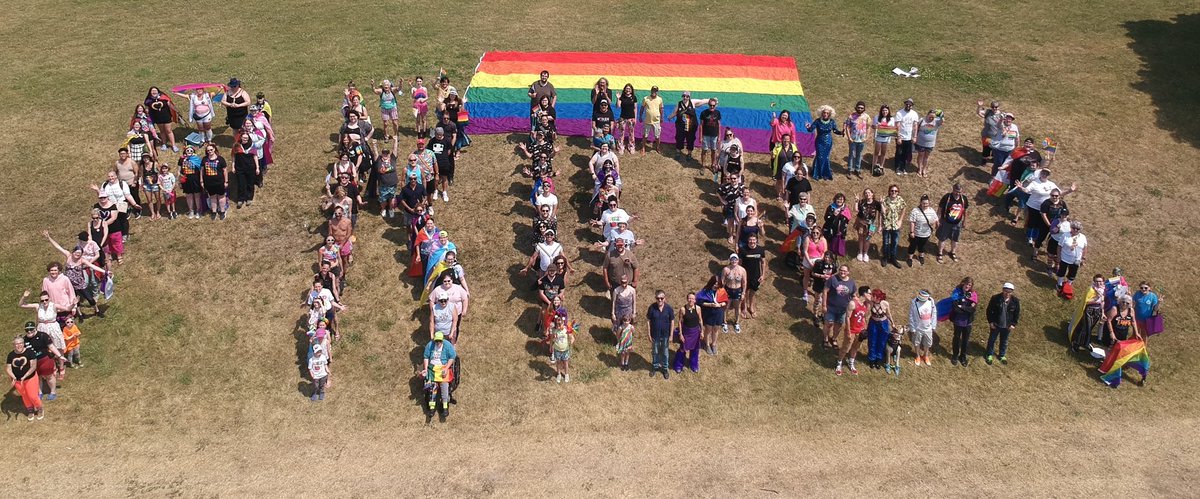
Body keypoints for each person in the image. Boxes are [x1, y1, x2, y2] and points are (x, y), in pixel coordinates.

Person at [42, 231, 106, 318]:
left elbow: (93, 267)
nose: (77, 255)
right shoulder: (68, 256)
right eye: (76, 253)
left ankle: (97, 310)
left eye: (79, 254)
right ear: (73, 252)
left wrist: (105, 272)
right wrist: (49, 237)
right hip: (69, 284)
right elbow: (58, 247)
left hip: (80, 283)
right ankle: (79, 314)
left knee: (90, 298)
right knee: (75, 300)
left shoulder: (82, 260)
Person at [19, 290, 70, 379]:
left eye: (46, 300)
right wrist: (24, 296)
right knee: (45, 349)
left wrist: (73, 304)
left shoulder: (54, 305)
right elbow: (21, 305)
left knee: (58, 347)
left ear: (49, 299)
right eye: (42, 300)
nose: (44, 302)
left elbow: (68, 308)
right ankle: (52, 366)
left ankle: (61, 367)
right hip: (42, 328)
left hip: (53, 328)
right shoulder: (38, 306)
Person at [21, 320, 65, 401]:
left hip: (45, 359)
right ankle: (39, 392)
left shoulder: (43, 335)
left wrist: (59, 356)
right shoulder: (24, 339)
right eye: (27, 330)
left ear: (35, 328)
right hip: (33, 362)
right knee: (37, 378)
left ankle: (52, 392)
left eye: (31, 329)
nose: (29, 331)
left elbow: (51, 347)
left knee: (49, 376)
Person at [418, 332, 456, 416]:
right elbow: (426, 357)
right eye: (436, 341)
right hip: (432, 368)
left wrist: (446, 368)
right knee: (432, 387)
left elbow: (452, 357)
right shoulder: (430, 345)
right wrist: (425, 369)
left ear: (442, 340)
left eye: (440, 341)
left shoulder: (447, 345)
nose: (438, 343)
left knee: (444, 386)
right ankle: (432, 408)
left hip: (443, 367)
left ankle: (445, 406)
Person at [836, 286, 871, 376]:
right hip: (851, 330)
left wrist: (865, 328)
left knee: (856, 347)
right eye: (869, 293)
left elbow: (864, 317)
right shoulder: (853, 303)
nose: (871, 295)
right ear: (864, 293)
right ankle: (839, 363)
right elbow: (847, 317)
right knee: (845, 348)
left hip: (860, 331)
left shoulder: (865, 306)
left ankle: (851, 362)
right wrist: (848, 330)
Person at [8, 335, 43, 421]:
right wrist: (13, 377)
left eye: (20, 343)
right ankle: (30, 410)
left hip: (30, 378)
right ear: (14, 345)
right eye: (16, 344)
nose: (18, 345)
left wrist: (25, 376)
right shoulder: (11, 355)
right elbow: (8, 368)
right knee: (24, 395)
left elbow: (33, 366)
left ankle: (39, 408)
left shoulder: (30, 352)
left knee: (33, 396)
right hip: (18, 380)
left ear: (23, 344)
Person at [985, 283, 1021, 364]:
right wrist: (991, 322)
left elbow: (1017, 314)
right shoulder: (995, 298)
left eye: (1009, 292)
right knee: (992, 340)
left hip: (1007, 326)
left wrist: (1013, 324)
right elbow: (989, 311)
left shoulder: (1015, 301)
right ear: (1003, 290)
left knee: (1004, 341)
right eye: (1006, 291)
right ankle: (989, 354)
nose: (1007, 293)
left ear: (1012, 292)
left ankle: (1002, 355)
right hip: (996, 324)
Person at [805, 105, 843, 180]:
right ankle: (817, 173)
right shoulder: (817, 121)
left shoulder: (832, 122)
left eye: (827, 113)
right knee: (819, 156)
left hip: (828, 141)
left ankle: (825, 173)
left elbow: (835, 131)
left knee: (826, 157)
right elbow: (811, 130)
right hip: (819, 141)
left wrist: (841, 132)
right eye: (824, 113)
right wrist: (808, 127)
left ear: (829, 114)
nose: (825, 114)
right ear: (821, 113)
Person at [1071, 274, 1108, 352]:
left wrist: (1103, 312)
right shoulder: (1091, 289)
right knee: (1086, 328)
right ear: (1094, 282)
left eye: (1100, 281)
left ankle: (1085, 343)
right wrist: (1096, 298)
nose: (1098, 283)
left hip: (1097, 310)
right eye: (1097, 281)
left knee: (1090, 328)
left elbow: (1102, 301)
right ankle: (1076, 344)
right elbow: (1086, 302)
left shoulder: (1103, 289)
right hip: (1089, 310)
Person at [822, 265, 855, 349]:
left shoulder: (851, 283)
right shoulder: (833, 279)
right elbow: (825, 291)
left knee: (839, 325)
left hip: (843, 310)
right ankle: (825, 339)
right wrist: (824, 305)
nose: (842, 272)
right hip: (830, 307)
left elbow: (853, 294)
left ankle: (834, 339)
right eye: (841, 270)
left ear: (848, 272)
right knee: (829, 323)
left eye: (844, 271)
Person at [645, 290, 676, 379]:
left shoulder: (669, 308)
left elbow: (672, 321)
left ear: (664, 298)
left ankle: (665, 368)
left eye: (661, 298)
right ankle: (655, 366)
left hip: (665, 335)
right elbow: (648, 321)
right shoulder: (652, 308)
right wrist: (648, 334)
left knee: (665, 352)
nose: (660, 300)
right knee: (655, 352)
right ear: (655, 298)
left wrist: (671, 335)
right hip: (655, 335)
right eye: (658, 298)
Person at [936, 184, 970, 263]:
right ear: (953, 189)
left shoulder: (963, 199)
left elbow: (965, 211)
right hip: (945, 222)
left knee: (955, 239)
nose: (958, 193)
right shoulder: (947, 197)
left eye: (959, 192)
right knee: (942, 238)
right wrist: (937, 219)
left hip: (957, 223)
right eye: (956, 191)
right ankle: (940, 253)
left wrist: (965, 220)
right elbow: (940, 208)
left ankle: (952, 252)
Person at [949, 277, 978, 366]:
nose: (967, 286)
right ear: (963, 283)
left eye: (969, 285)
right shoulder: (956, 293)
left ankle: (963, 356)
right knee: (957, 339)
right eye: (966, 284)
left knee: (965, 340)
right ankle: (955, 355)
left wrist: (962, 307)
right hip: (958, 321)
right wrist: (966, 308)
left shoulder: (973, 294)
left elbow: (973, 309)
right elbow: (955, 309)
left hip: (968, 322)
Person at [696, 277, 728, 355]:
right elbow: (700, 302)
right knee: (708, 330)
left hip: (718, 312)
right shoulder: (705, 291)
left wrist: (720, 304)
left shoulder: (721, 290)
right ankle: (706, 345)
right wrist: (710, 304)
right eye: (714, 283)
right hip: (709, 313)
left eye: (717, 283)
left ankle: (713, 344)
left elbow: (725, 301)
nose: (716, 284)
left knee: (716, 329)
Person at [673, 293, 703, 373]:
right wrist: (681, 334)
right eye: (689, 298)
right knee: (683, 349)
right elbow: (679, 322)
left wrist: (702, 331)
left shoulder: (698, 308)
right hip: (686, 332)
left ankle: (694, 364)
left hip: (695, 332)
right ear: (687, 299)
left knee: (695, 349)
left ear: (695, 300)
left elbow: (700, 320)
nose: (691, 300)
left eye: (693, 298)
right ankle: (678, 365)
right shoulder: (683, 309)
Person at [738, 235, 767, 319]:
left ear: (756, 240)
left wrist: (763, 274)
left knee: (753, 292)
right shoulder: (743, 249)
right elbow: (740, 263)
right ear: (748, 241)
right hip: (745, 276)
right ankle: (744, 308)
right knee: (745, 292)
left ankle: (751, 307)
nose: (752, 241)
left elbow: (763, 262)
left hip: (756, 275)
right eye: (750, 240)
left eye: (753, 240)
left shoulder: (760, 250)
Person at [907, 194, 939, 266]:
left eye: (927, 203)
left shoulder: (931, 211)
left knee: (922, 246)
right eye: (924, 203)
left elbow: (936, 219)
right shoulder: (915, 210)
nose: (925, 205)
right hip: (916, 234)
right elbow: (912, 222)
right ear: (920, 202)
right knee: (912, 246)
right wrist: (912, 232)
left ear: (929, 203)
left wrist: (936, 223)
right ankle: (910, 258)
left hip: (926, 234)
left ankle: (921, 256)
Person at [866, 289, 894, 371]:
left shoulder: (885, 303)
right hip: (873, 323)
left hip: (883, 323)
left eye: (873, 296)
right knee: (872, 341)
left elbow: (888, 314)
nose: (872, 297)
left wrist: (892, 323)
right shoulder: (871, 303)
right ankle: (872, 359)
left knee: (882, 342)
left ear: (878, 297)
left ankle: (878, 359)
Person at [145, 86, 179, 152]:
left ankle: (173, 145)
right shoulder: (148, 101)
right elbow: (147, 109)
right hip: (157, 118)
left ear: (158, 91)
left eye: (155, 90)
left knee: (168, 130)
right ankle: (164, 144)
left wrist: (177, 111)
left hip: (166, 116)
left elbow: (170, 105)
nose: (154, 92)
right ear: (150, 92)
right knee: (162, 131)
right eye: (152, 91)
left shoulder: (164, 98)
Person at [1056, 220, 1088, 291]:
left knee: (1072, 273)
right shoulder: (1065, 235)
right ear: (1071, 228)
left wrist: (1083, 258)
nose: (1076, 230)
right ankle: (1059, 284)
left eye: (1078, 229)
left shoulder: (1083, 237)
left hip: (1076, 260)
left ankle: (1068, 284)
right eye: (1074, 228)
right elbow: (1059, 246)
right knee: (1062, 271)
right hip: (1064, 258)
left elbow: (1085, 248)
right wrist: (1058, 256)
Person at [200, 143, 228, 220]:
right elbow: (202, 171)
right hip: (208, 183)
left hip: (219, 182)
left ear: (214, 149)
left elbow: (225, 170)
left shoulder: (220, 159)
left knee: (221, 196)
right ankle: (214, 211)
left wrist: (226, 181)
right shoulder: (204, 159)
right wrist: (201, 181)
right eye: (208, 150)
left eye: (211, 150)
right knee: (212, 197)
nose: (209, 151)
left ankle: (222, 211)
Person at [880, 184, 906, 268]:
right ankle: (885, 258)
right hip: (886, 225)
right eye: (892, 191)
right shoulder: (885, 200)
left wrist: (900, 220)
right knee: (886, 242)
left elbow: (904, 208)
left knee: (895, 243)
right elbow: (882, 213)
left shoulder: (900, 200)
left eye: (895, 191)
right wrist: (881, 204)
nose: (894, 192)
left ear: (898, 192)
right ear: (889, 191)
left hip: (895, 225)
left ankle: (893, 258)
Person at [427, 127, 455, 202]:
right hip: (435, 163)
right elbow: (429, 151)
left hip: (444, 163)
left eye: (440, 134)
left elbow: (449, 151)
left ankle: (444, 192)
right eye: (437, 134)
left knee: (444, 178)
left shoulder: (447, 141)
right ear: (435, 134)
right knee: (436, 179)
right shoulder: (432, 141)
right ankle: (435, 190)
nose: (439, 136)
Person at [852, 188, 881, 263]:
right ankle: (860, 252)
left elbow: (883, 212)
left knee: (868, 238)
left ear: (872, 194)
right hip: (861, 223)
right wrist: (856, 202)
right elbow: (856, 210)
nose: (867, 194)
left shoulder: (876, 203)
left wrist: (882, 203)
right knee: (861, 237)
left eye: (869, 193)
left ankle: (865, 253)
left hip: (871, 224)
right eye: (865, 193)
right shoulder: (861, 202)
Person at [721, 254, 748, 333]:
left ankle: (737, 322)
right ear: (730, 260)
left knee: (737, 307)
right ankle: (724, 322)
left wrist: (743, 293)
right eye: (732, 259)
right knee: (726, 307)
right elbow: (722, 282)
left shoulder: (742, 270)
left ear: (738, 260)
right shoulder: (726, 269)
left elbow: (744, 283)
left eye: (735, 259)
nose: (734, 261)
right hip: (728, 290)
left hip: (737, 290)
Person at [843, 101, 872, 176]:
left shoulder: (867, 117)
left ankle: (857, 169)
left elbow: (868, 127)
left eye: (862, 108)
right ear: (856, 107)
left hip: (862, 139)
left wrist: (867, 137)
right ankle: (849, 169)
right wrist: (849, 137)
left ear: (864, 109)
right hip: (852, 139)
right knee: (851, 154)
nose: (860, 109)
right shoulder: (851, 116)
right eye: (858, 107)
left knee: (859, 155)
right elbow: (847, 127)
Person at [908, 290, 936, 366]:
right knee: (917, 342)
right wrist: (912, 328)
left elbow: (934, 313)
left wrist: (933, 325)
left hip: (928, 327)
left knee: (928, 343)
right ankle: (917, 356)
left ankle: (925, 356)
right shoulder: (914, 302)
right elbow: (911, 315)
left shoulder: (931, 301)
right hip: (918, 328)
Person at [914, 109, 944, 177]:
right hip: (921, 142)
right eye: (930, 117)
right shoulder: (922, 120)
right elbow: (916, 128)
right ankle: (919, 169)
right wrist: (914, 137)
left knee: (926, 156)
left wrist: (942, 115)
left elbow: (942, 121)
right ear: (927, 115)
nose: (931, 118)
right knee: (921, 155)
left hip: (930, 143)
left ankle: (924, 169)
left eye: (933, 117)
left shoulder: (936, 121)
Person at [894, 98, 920, 174]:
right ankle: (897, 167)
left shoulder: (914, 114)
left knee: (906, 153)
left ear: (912, 106)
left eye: (910, 104)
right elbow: (897, 126)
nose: (908, 105)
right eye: (907, 104)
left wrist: (914, 136)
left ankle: (903, 167)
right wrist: (898, 137)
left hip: (909, 137)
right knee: (899, 152)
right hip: (901, 137)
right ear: (905, 104)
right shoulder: (899, 113)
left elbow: (915, 126)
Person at [669, 92, 699, 158]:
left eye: (687, 96)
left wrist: (710, 100)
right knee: (679, 139)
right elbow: (675, 112)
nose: (685, 97)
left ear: (689, 97)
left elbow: (702, 101)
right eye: (683, 96)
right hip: (681, 126)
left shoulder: (693, 102)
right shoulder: (679, 103)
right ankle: (678, 153)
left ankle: (689, 154)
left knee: (690, 140)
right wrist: (670, 117)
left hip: (691, 127)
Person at [548, 313, 574, 383]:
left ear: (563, 323)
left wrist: (571, 341)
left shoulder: (566, 329)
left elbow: (572, 337)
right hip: (557, 350)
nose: (559, 326)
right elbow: (551, 340)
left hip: (565, 349)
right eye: (557, 324)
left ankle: (566, 374)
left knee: (565, 362)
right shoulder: (554, 330)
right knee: (558, 362)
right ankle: (559, 374)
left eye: (560, 324)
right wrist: (551, 346)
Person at [872, 104, 897, 175]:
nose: (884, 111)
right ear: (881, 111)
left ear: (888, 111)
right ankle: (874, 165)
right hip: (878, 138)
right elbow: (873, 126)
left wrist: (893, 131)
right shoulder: (876, 117)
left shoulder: (891, 119)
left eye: (886, 110)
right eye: (883, 110)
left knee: (883, 153)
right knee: (876, 152)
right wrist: (875, 126)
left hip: (886, 138)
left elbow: (893, 129)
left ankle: (881, 166)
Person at [823, 193, 851, 258]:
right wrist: (833, 215)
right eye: (838, 199)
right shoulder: (831, 207)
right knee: (830, 245)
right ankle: (829, 257)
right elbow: (826, 218)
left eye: (841, 199)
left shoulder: (845, 209)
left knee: (838, 246)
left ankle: (836, 257)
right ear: (835, 199)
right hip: (830, 231)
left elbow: (848, 219)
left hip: (840, 232)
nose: (840, 201)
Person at [699, 98, 723, 171]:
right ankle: (703, 165)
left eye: (713, 105)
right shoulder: (703, 113)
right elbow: (701, 125)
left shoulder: (718, 113)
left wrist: (719, 136)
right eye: (710, 105)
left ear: (715, 105)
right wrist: (700, 137)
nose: (712, 107)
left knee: (714, 151)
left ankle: (713, 164)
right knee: (704, 150)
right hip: (705, 135)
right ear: (708, 105)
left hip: (714, 136)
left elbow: (719, 124)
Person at [976, 100, 1002, 165]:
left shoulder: (1002, 115)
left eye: (996, 107)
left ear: (999, 107)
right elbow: (979, 113)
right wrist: (979, 106)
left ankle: (993, 159)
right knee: (986, 149)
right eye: (993, 107)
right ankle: (984, 160)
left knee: (995, 149)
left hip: (997, 136)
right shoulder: (988, 112)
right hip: (987, 135)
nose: (994, 108)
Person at [639, 86, 664, 153]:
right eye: (653, 90)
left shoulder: (660, 99)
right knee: (645, 135)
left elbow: (661, 109)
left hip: (656, 121)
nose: (654, 92)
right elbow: (642, 108)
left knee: (657, 136)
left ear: (657, 92)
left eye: (655, 91)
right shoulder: (645, 98)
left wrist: (662, 117)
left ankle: (658, 147)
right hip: (647, 121)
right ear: (651, 91)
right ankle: (643, 147)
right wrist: (640, 116)